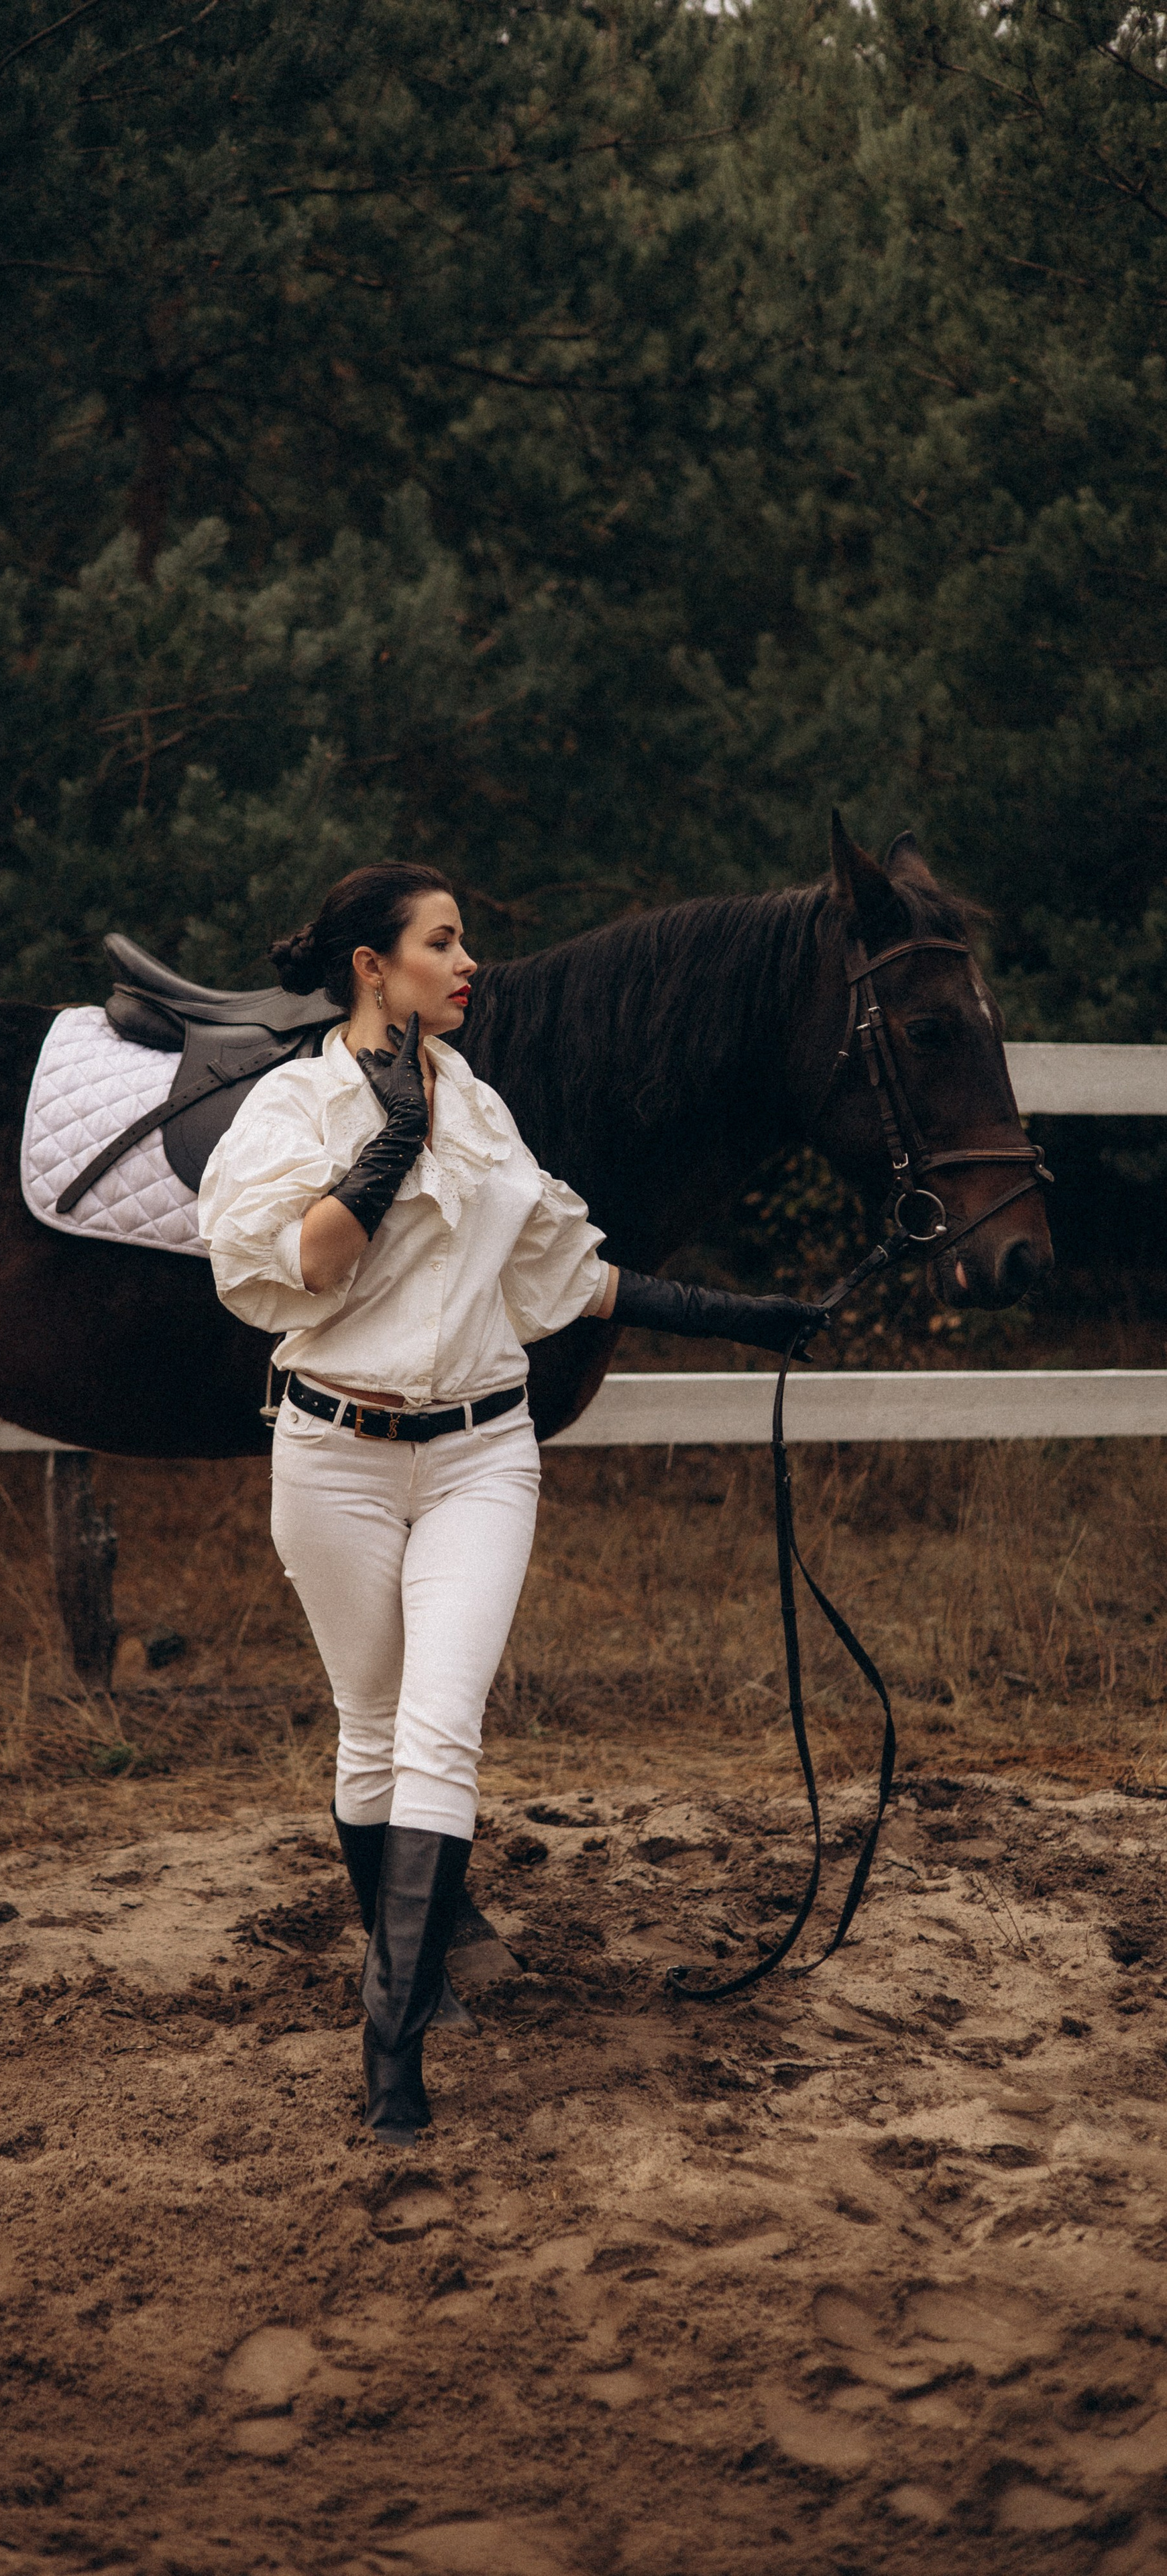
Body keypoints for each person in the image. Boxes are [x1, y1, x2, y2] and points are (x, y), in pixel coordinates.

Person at [197, 864, 825, 2143]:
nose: (469, 960)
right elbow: (302, 1265)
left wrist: (746, 1320)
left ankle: (394, 2045)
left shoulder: (477, 1101)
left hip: (487, 1450)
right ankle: (409, 1985)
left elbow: (564, 1272)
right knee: (370, 1729)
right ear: (374, 967)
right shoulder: (290, 1106)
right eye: (442, 942)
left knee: (440, 1729)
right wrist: (390, 1138)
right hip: (335, 1456)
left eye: (465, 940)